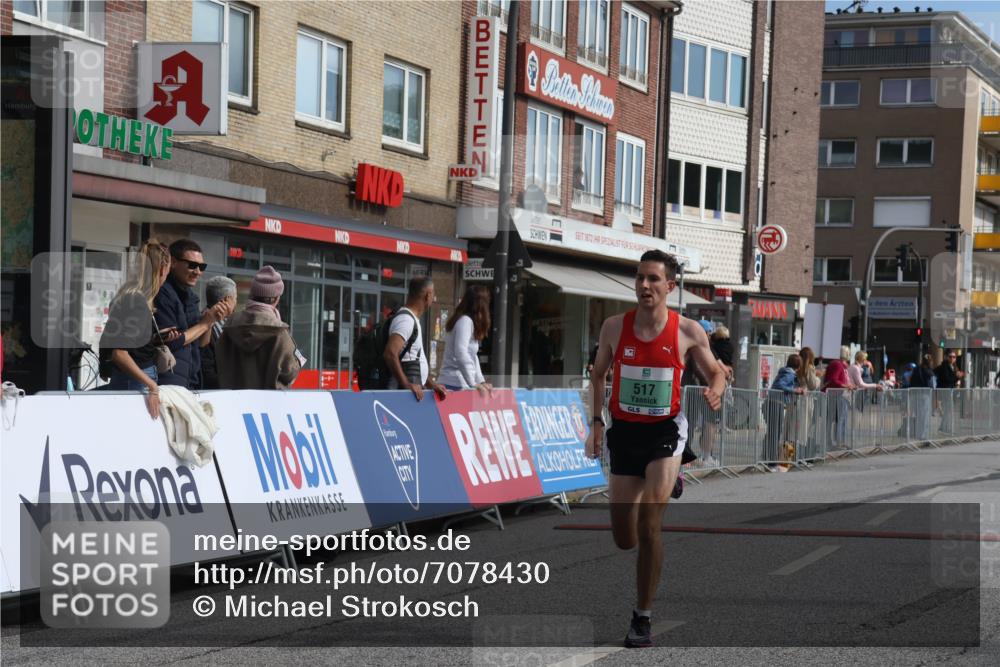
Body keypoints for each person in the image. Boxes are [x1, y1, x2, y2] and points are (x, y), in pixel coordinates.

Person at [586, 250, 725, 649]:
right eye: (639, 278)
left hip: (665, 432)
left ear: (670, 286)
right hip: (625, 433)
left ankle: (642, 617)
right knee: (623, 537)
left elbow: (716, 372)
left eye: (653, 279)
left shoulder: (687, 331)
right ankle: (664, 476)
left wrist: (715, 391)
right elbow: (597, 376)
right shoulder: (614, 327)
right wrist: (595, 424)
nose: (644, 285)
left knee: (649, 526)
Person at [98, 241, 180, 419]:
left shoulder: (128, 296)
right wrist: (152, 386)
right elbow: (119, 353)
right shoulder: (138, 302)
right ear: (162, 270)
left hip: (130, 377)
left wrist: (153, 339)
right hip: (136, 380)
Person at [154, 239, 231, 388]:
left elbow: (201, 343)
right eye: (192, 265)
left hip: (192, 381)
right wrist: (205, 324)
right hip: (169, 383)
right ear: (174, 263)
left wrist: (211, 320)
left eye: (202, 267)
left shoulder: (191, 298)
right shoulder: (162, 294)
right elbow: (172, 342)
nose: (198, 272)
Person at [216, 266, 302, 389]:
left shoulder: (229, 326)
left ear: (252, 294)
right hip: (267, 405)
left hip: (232, 403)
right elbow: (289, 373)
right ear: (277, 298)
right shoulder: (279, 332)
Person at [385, 276, 448, 402]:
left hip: (413, 391)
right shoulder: (406, 320)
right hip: (405, 396)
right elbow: (390, 353)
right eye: (433, 294)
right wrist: (407, 384)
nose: (433, 299)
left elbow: (414, 358)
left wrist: (431, 384)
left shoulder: (412, 319)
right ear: (428, 295)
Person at [438, 285, 493, 396]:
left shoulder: (466, 321)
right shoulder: (465, 321)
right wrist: (473, 383)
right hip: (454, 384)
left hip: (459, 383)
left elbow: (472, 356)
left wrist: (480, 381)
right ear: (481, 305)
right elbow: (461, 352)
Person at [764, 354, 804, 470]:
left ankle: (771, 460)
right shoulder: (790, 373)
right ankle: (772, 462)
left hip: (774, 402)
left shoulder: (785, 371)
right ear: (798, 365)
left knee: (774, 432)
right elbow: (779, 385)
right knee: (775, 433)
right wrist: (794, 390)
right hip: (777, 403)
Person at [200, 276, 237, 390]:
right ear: (227, 299)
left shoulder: (230, 323)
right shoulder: (204, 326)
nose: (236, 302)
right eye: (235, 298)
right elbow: (207, 369)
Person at [822, 346, 856, 449]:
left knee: (836, 420)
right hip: (835, 396)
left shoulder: (839, 364)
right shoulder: (837, 364)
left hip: (838, 395)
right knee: (837, 420)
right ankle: (837, 443)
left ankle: (835, 442)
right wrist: (847, 386)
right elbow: (834, 380)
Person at [935, 350, 963, 433]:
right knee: (948, 409)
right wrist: (957, 377)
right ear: (946, 357)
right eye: (950, 356)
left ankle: (944, 427)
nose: (952, 358)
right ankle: (944, 427)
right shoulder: (944, 366)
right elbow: (947, 379)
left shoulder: (954, 367)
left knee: (948, 410)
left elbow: (952, 380)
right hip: (945, 390)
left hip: (950, 390)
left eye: (954, 357)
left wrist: (958, 376)